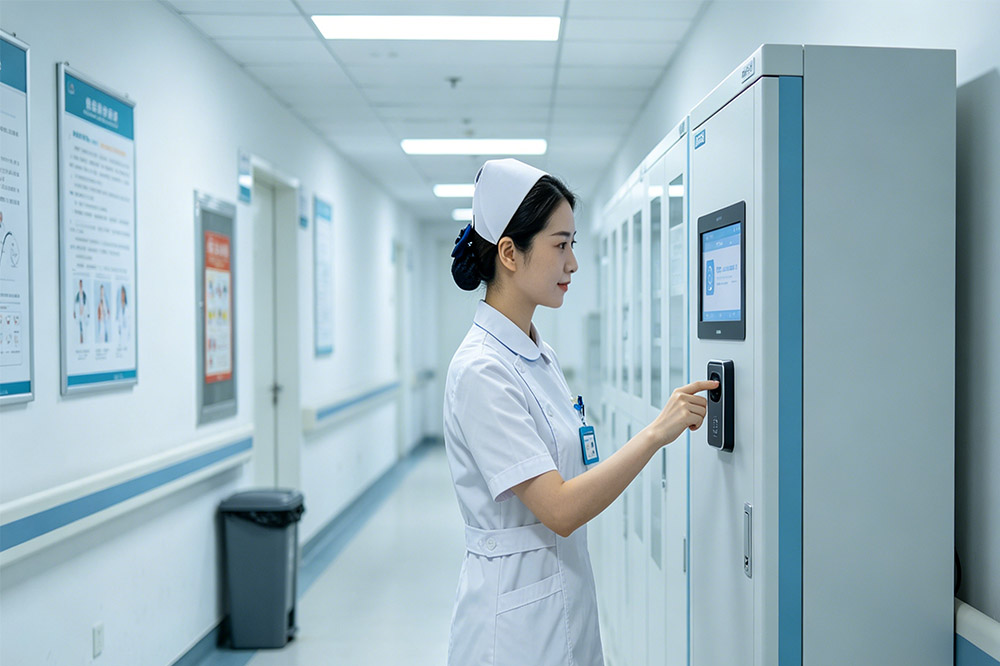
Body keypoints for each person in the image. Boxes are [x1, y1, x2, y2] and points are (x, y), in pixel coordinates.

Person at [443, 158, 717, 665]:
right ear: (509, 252)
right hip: (514, 628)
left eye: (574, 245)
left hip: (561, 604)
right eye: (560, 245)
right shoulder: (482, 370)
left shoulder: (535, 353)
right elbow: (561, 508)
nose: (573, 263)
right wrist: (656, 432)